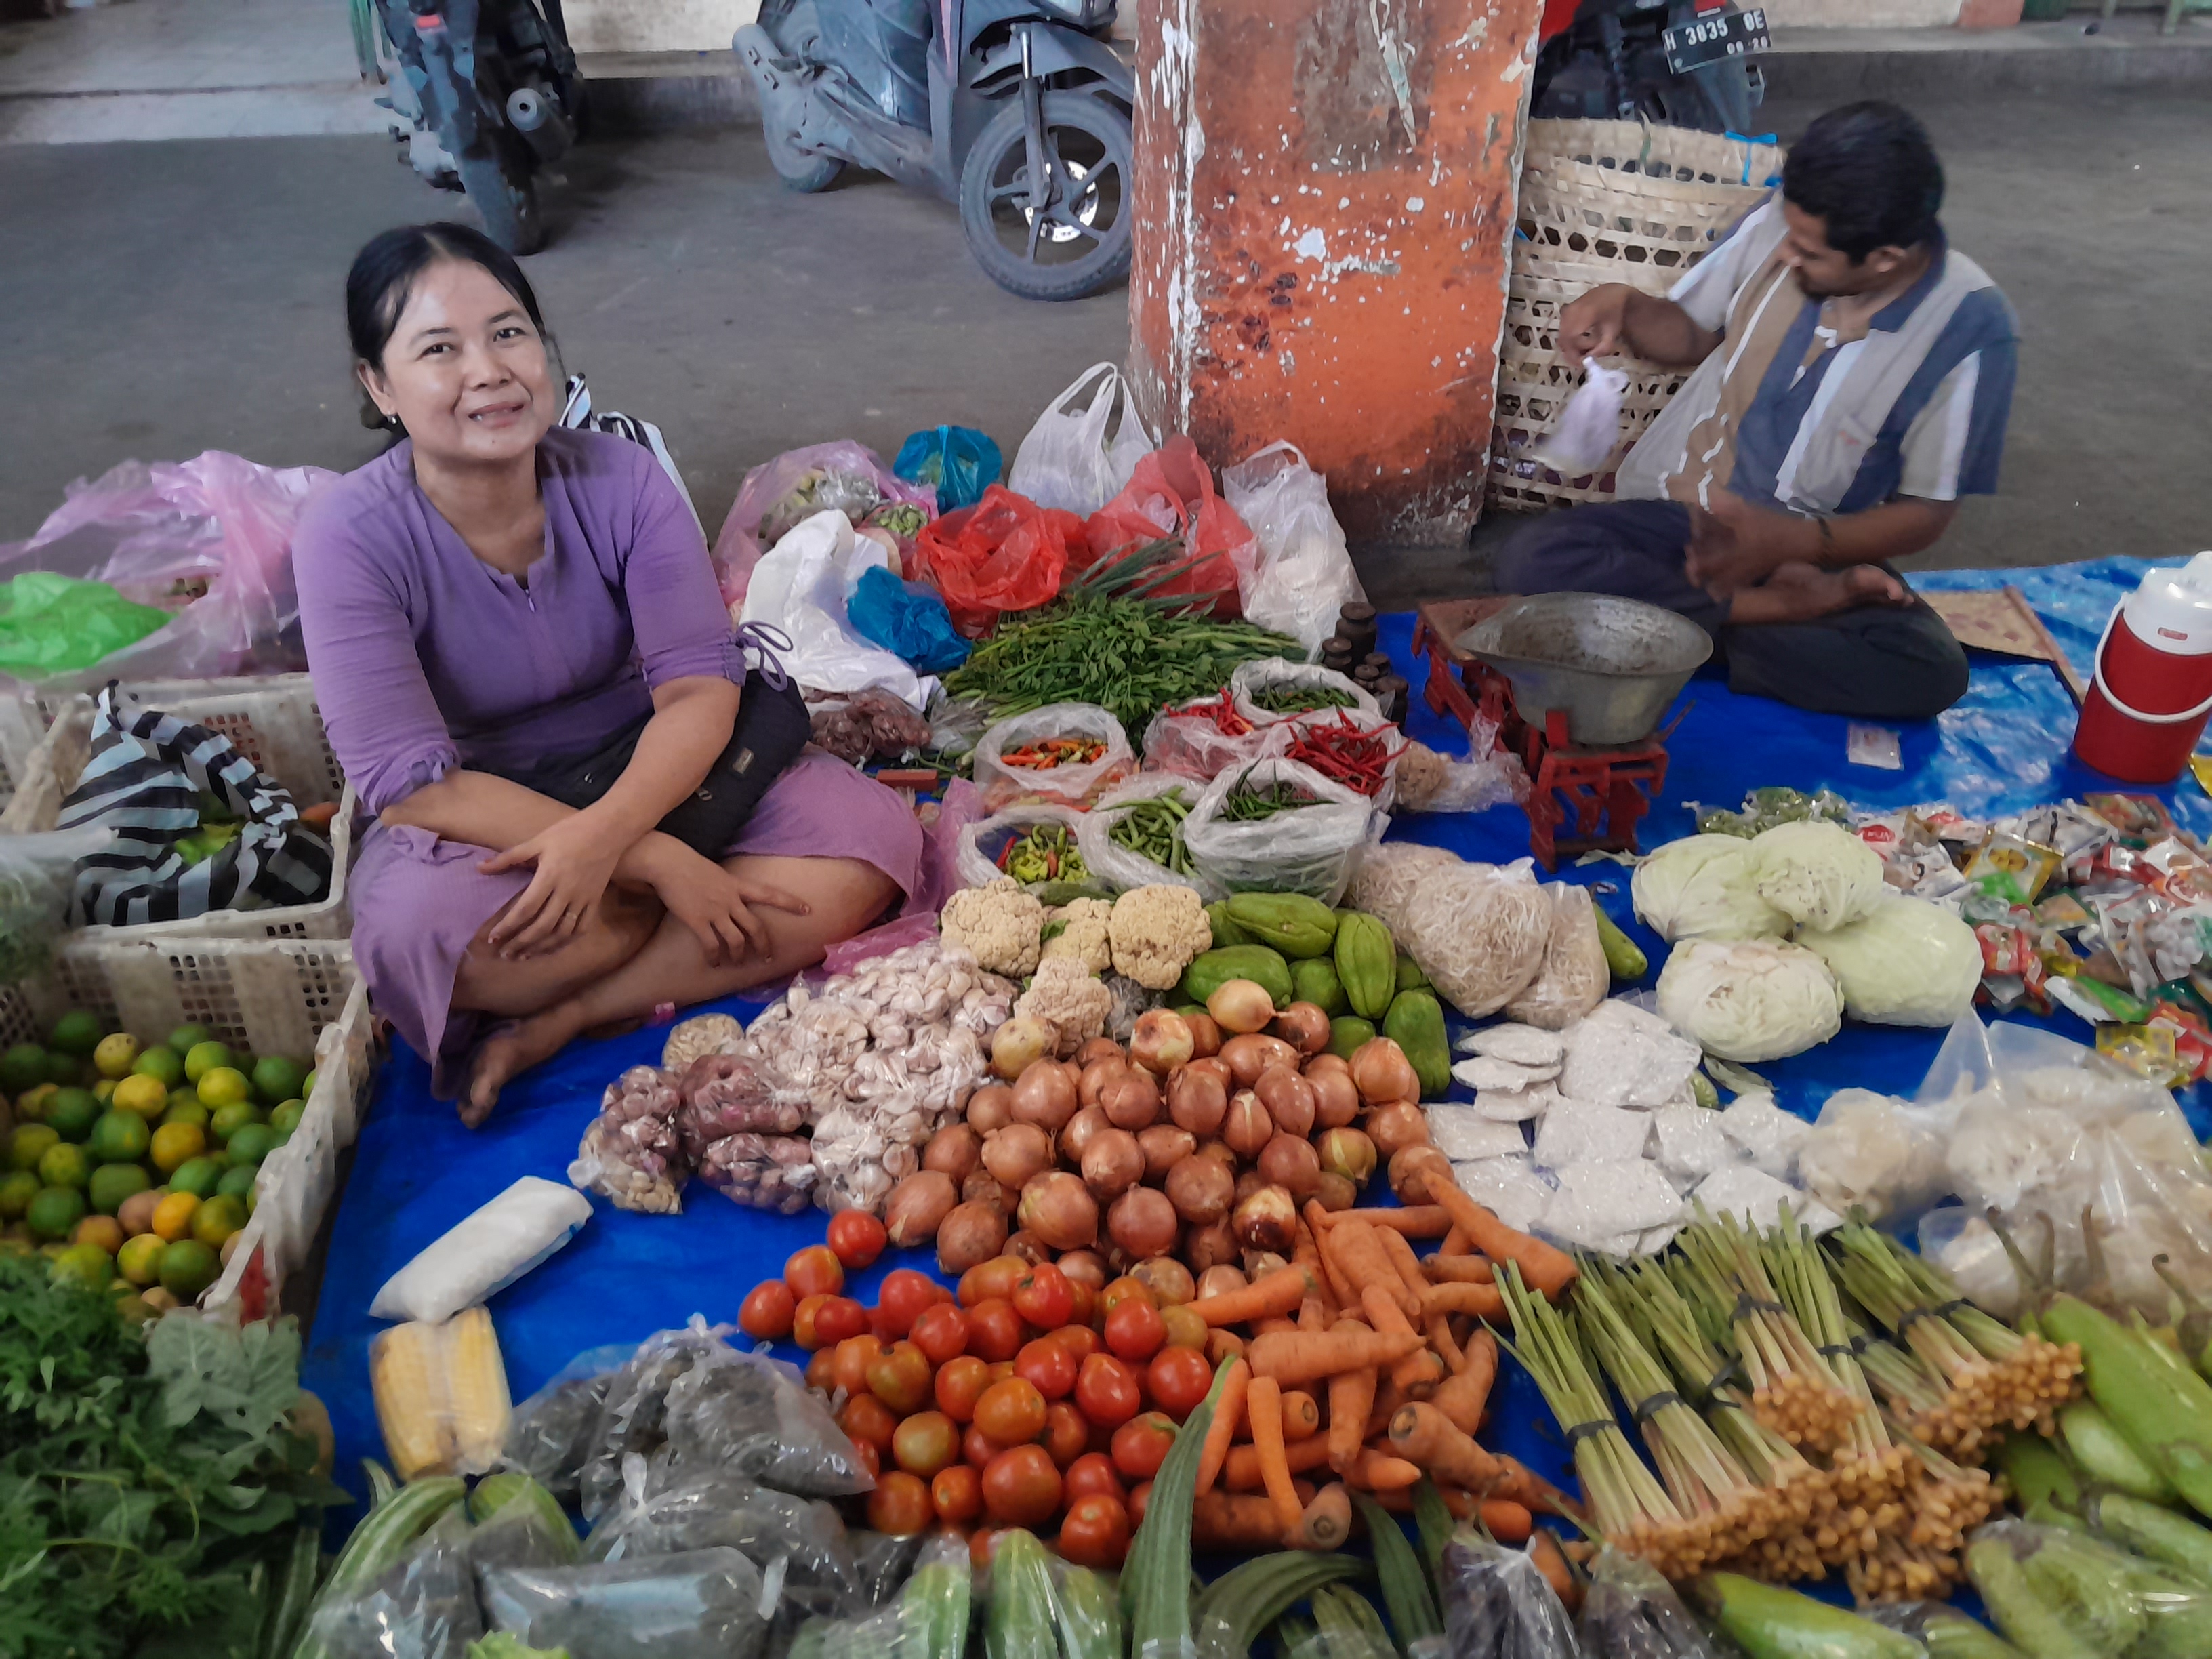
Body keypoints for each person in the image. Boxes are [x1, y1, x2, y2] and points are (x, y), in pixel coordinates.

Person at [295, 224, 922, 1125]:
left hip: (657, 766)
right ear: (379, 386)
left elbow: (700, 691)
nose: (489, 370)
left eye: (510, 334)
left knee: (870, 845)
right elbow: (408, 784)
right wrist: (651, 860)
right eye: (441, 349)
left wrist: (610, 836)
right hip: (487, 808)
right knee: (416, 940)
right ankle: (644, 924)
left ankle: (574, 1011)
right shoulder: (347, 535)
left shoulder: (621, 479)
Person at [1493, 101, 2018, 721]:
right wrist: (1628, 307)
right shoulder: (1786, 219)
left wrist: (1797, 546)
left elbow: (1926, 514)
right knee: (1527, 559)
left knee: (1927, 671)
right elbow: (1687, 334)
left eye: (1811, 253)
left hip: (1811, 547)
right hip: (1683, 523)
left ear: (1884, 260)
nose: (1788, 255)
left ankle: (1657, 628)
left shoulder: (1972, 329)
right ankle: (1770, 617)